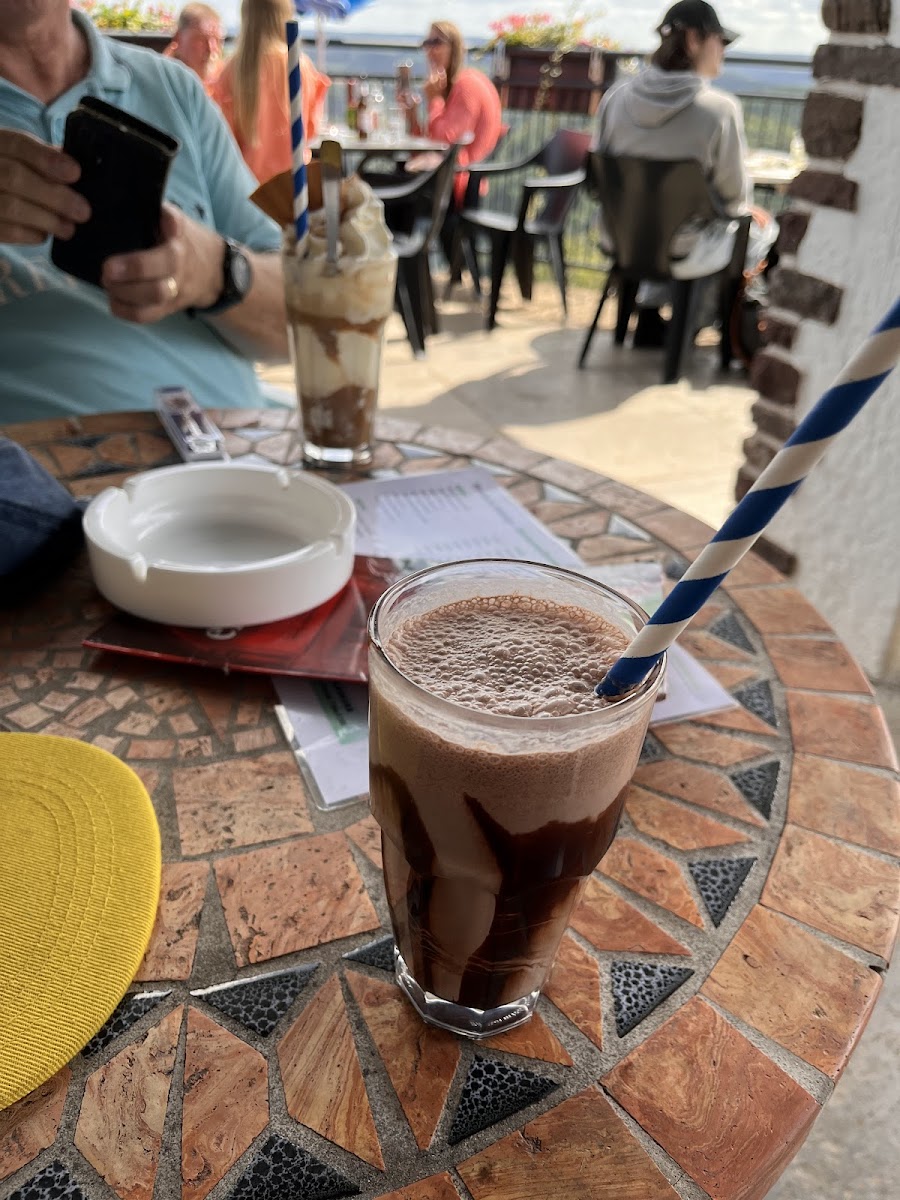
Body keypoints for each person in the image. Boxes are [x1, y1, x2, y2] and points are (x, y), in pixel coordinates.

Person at [0, 0, 289, 423]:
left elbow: (299, 323)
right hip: (46, 457)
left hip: (237, 446)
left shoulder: (173, 89)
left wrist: (213, 273)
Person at [593, 0, 776, 345]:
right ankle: (697, 327)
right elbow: (734, 200)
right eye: (721, 41)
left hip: (620, 239)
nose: (724, 50)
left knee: (674, 220)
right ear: (694, 40)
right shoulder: (720, 110)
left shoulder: (614, 99)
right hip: (682, 251)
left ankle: (649, 311)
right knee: (759, 228)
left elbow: (601, 175)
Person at [209, 0, 331, 183]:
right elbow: (311, 130)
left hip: (248, 185)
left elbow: (224, 139)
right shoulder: (300, 66)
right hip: (294, 184)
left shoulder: (231, 70)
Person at [400, 21, 503, 208]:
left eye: (436, 42)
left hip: (457, 184)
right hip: (444, 177)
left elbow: (444, 143)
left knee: (379, 186)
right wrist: (412, 117)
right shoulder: (453, 88)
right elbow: (425, 149)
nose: (430, 50)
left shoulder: (467, 85)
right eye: (427, 43)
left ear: (454, 47)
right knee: (389, 177)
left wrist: (434, 101)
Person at [163, 3, 225, 85]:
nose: (211, 49)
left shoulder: (226, 81)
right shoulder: (161, 82)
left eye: (218, 40)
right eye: (201, 39)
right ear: (178, 39)